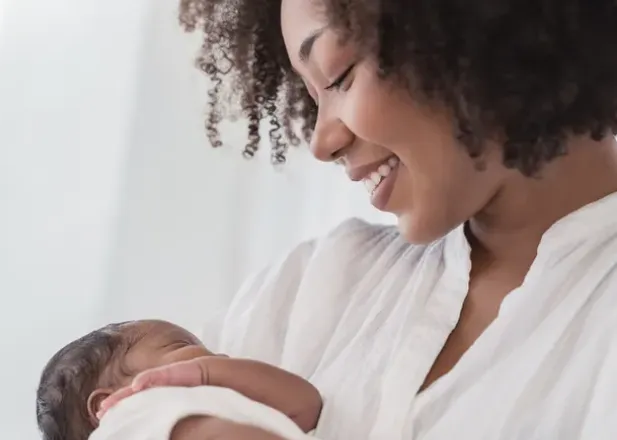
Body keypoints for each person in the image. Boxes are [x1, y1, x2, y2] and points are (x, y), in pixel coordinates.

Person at [92, 0, 617, 438]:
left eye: (337, 76)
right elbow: (121, 416)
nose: (323, 141)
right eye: (309, 95)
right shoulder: (316, 282)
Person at [35, 320, 320, 440]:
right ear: (104, 404)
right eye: (180, 345)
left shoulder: (222, 407)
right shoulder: (130, 413)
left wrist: (208, 371)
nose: (216, 355)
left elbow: (306, 407)